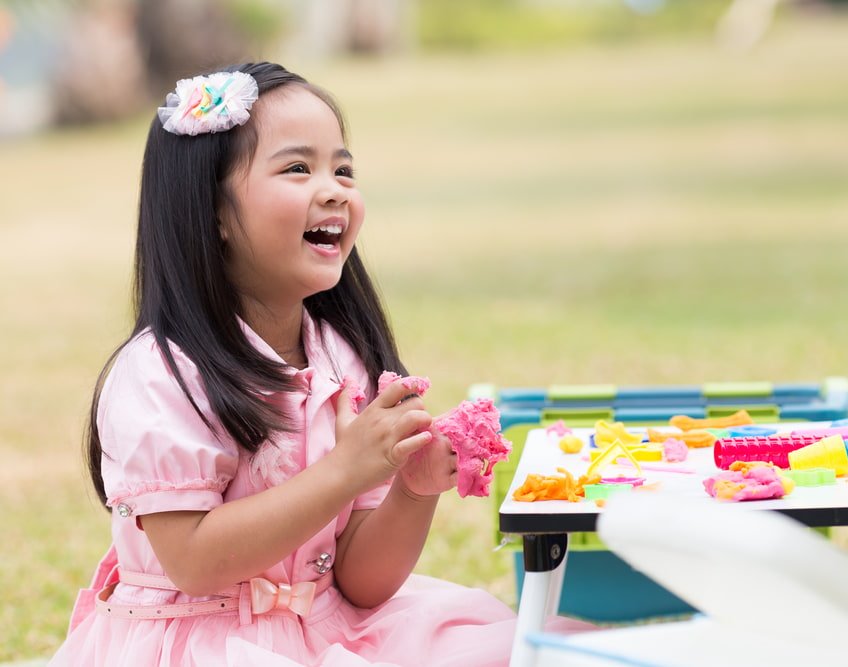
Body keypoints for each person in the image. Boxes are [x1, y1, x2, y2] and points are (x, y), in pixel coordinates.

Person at [51, 62, 588, 666]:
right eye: (298, 168)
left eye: (343, 168)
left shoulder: (339, 356)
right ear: (214, 213)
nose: (333, 188)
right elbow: (195, 562)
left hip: (327, 628)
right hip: (201, 641)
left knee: (544, 652)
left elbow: (360, 582)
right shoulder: (161, 372)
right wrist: (344, 470)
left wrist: (410, 491)